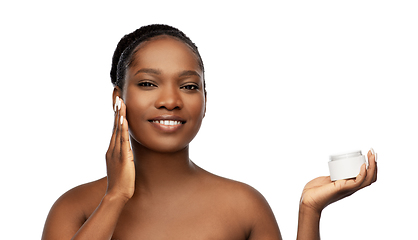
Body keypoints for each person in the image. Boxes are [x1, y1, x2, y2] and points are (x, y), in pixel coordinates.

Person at [41, 24, 377, 240]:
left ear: (204, 100)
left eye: (188, 86)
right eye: (147, 84)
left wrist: (309, 211)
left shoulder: (244, 205)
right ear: (119, 99)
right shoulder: (75, 208)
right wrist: (114, 198)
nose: (171, 100)